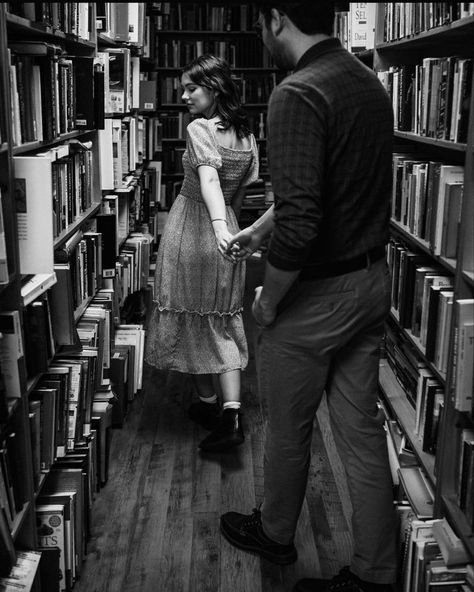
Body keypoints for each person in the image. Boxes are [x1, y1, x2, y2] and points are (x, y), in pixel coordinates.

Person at [220, 2, 397, 591]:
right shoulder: (367, 82)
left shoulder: (296, 93)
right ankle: (375, 573)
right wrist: (260, 233)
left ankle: (274, 535)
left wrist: (268, 301)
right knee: (360, 432)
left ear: (275, 18)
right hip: (372, 281)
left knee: (288, 426)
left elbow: (301, 219)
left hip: (318, 294)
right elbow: (331, 184)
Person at [145, 54, 259, 452]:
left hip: (192, 229)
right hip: (229, 231)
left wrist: (214, 228)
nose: (184, 95)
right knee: (223, 320)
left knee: (188, 315)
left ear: (214, 87)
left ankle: (209, 405)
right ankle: (230, 414)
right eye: (182, 87)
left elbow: (208, 178)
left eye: (191, 87)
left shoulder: (200, 129)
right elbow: (239, 195)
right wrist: (230, 231)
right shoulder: (247, 138)